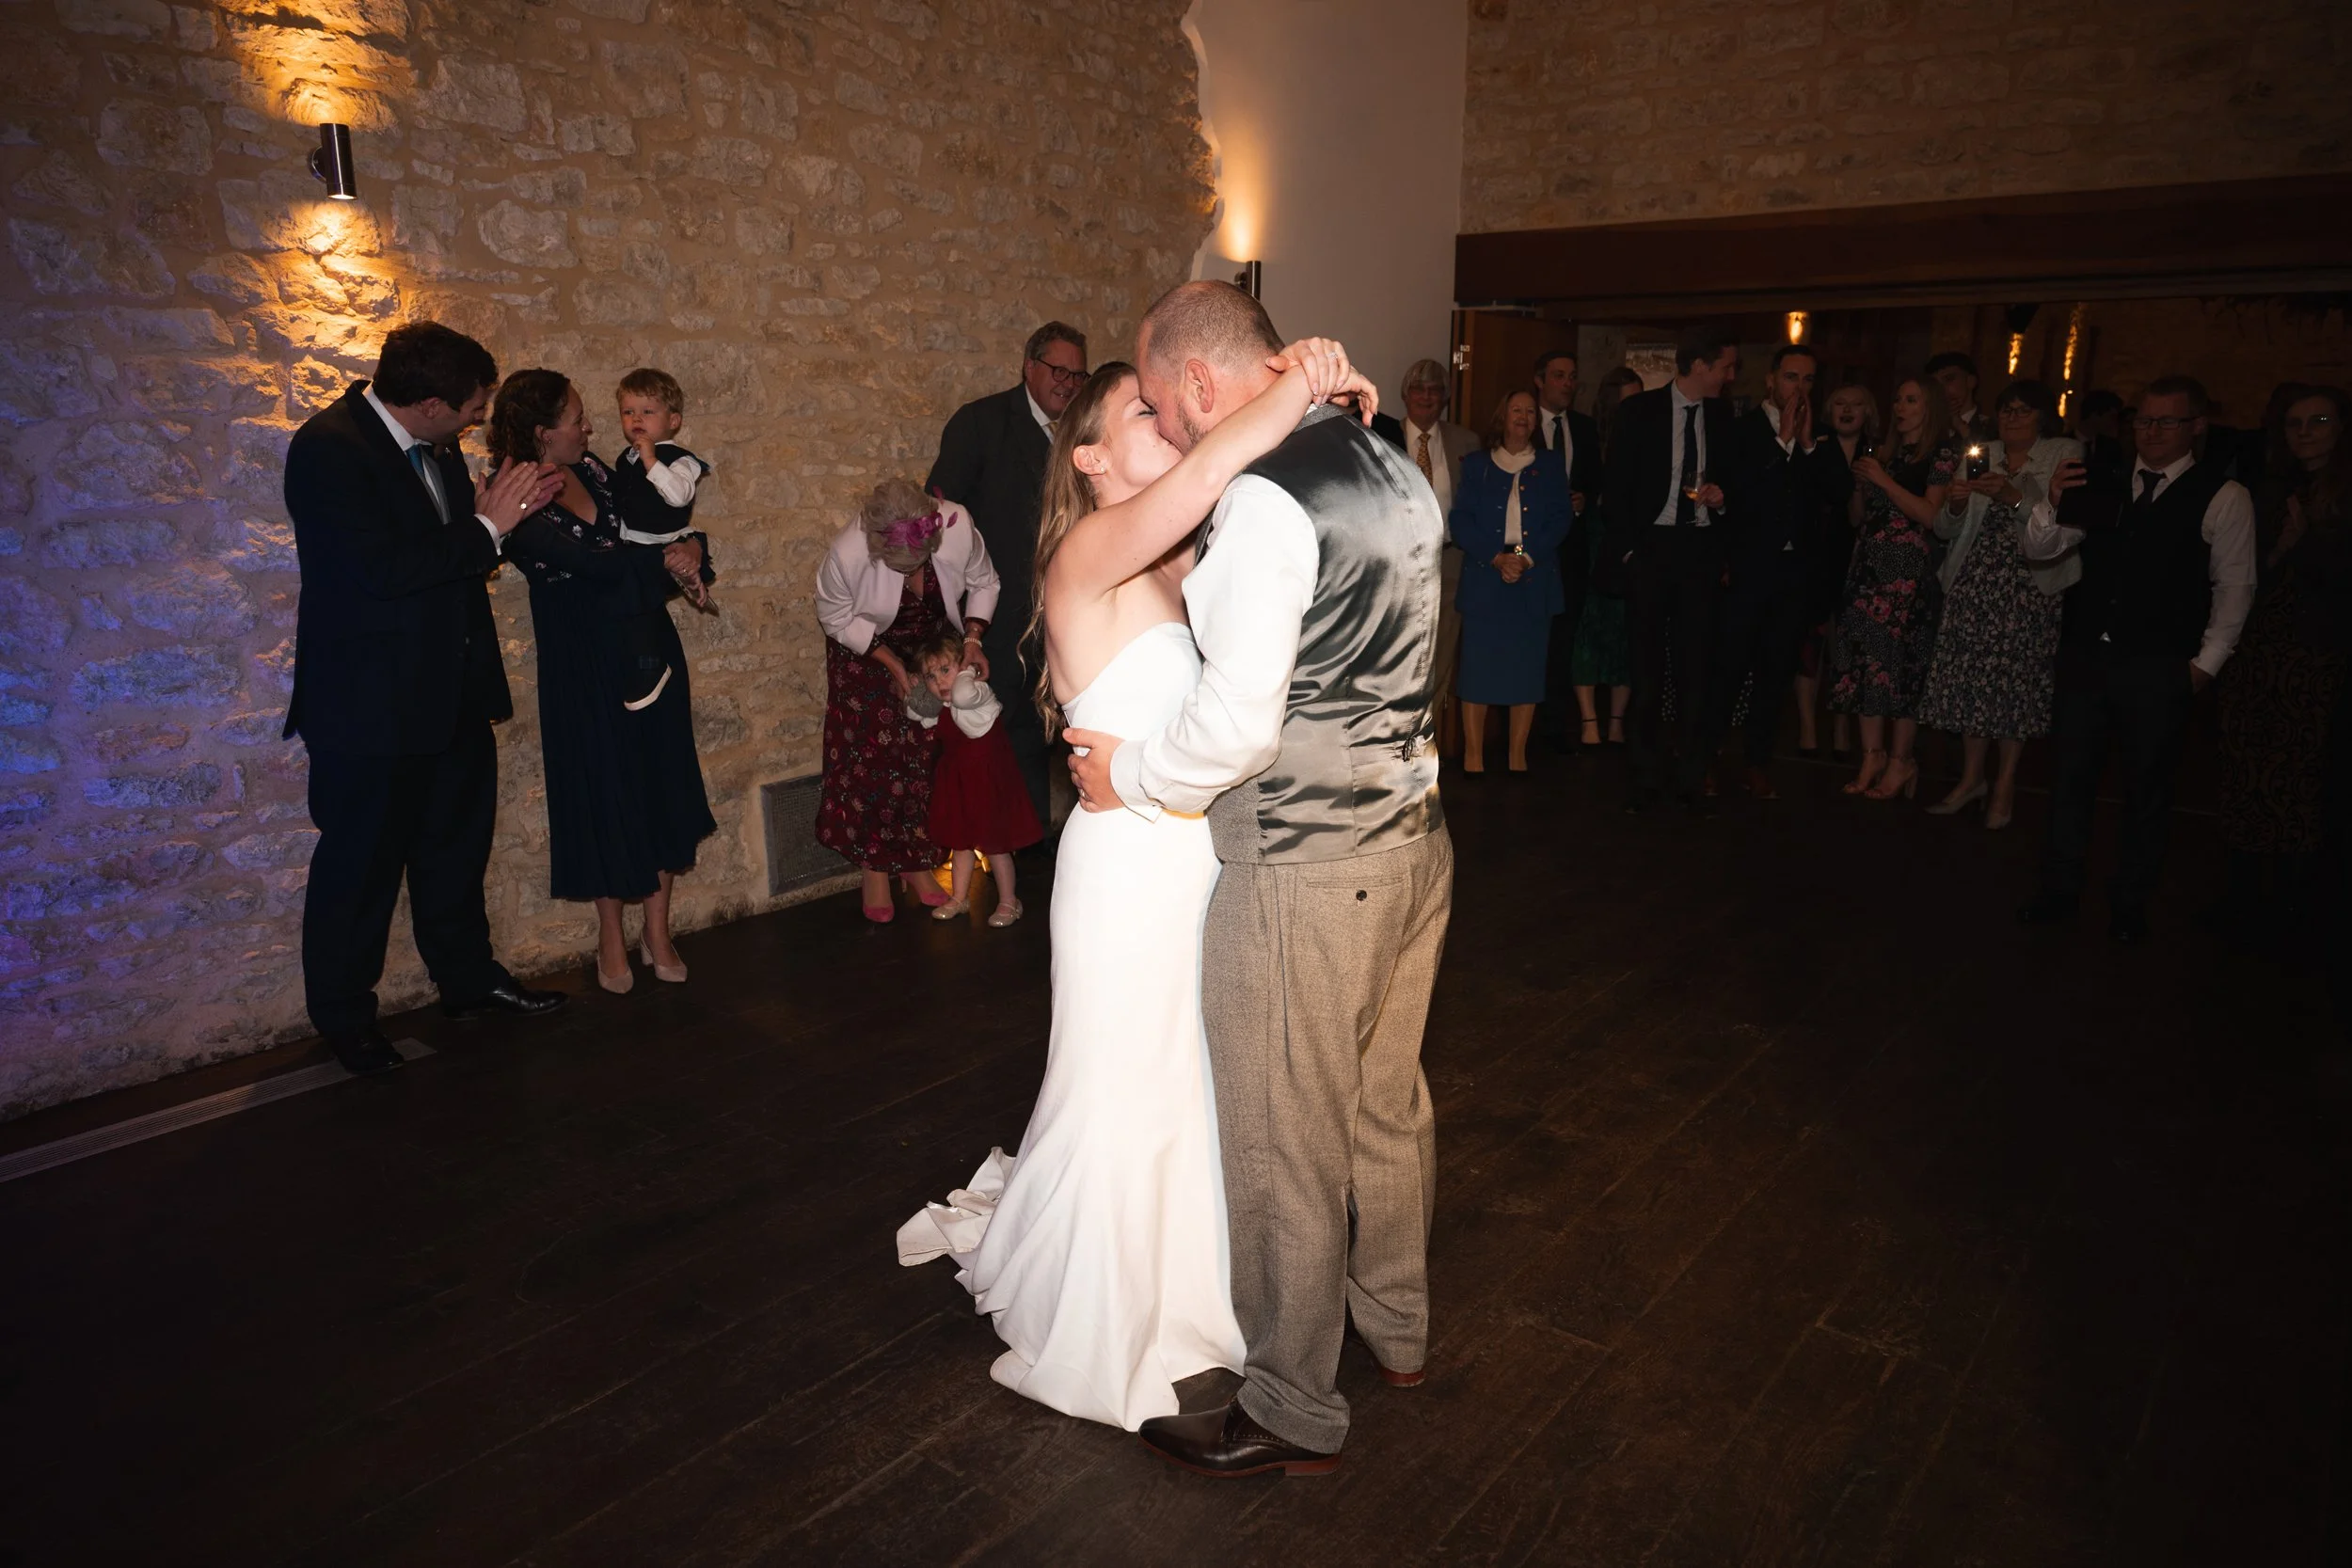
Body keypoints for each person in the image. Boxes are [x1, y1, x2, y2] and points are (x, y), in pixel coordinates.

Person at [897, 330, 1379, 1435]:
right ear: (1091, 459)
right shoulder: (1085, 556)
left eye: (1170, 415)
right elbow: (1217, 464)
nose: (1171, 428)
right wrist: (1291, 379)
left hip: (1194, 860)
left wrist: (1315, 404)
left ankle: (1210, 1280)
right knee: (1126, 1078)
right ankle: (1118, 1299)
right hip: (1123, 874)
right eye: (1145, 418)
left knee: (1191, 1074)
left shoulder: (1171, 560)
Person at [1067, 281, 1453, 1477]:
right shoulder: (1390, 466)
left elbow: (1234, 731)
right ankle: (1397, 1330)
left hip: (1305, 864)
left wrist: (1129, 775)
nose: (1173, 436)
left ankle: (1289, 1397)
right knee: (1387, 1105)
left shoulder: (1266, 504)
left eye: (1161, 401)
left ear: (1191, 386)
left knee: (1285, 1142)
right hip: (1414, 842)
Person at [282, 322, 566, 1076]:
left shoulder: (436, 444)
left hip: (452, 696)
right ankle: (346, 1020)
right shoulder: (328, 450)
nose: (479, 419)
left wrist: (489, 523)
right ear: (433, 402)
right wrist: (484, 528)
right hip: (369, 708)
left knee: (454, 855)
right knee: (360, 872)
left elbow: (449, 559)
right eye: (472, 407)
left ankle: (468, 981)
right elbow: (379, 572)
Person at [489, 371, 718, 992]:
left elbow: (653, 524)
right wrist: (671, 555)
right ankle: (611, 937)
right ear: (542, 433)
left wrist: (693, 544)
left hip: (648, 646)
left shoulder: (594, 468)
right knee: (603, 792)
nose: (590, 426)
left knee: (662, 784)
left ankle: (659, 931)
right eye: (576, 418)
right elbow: (594, 563)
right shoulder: (512, 493)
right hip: (583, 663)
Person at [2018, 375, 2259, 944]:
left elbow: (2234, 586)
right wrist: (2052, 506)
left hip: (2158, 667)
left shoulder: (2223, 495)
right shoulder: (2101, 480)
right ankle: (2059, 890)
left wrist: (2206, 665)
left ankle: (2130, 901)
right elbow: (2040, 550)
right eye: (2143, 420)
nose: (2151, 432)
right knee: (2069, 781)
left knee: (2147, 792)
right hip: (2086, 660)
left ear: (2196, 426)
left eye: (2165, 421)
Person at [814, 479, 1001, 922]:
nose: (911, 573)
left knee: (924, 754)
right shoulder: (848, 552)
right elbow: (834, 614)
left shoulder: (957, 526)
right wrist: (894, 668)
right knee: (874, 757)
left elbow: (983, 580)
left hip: (926, 644)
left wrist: (972, 639)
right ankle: (875, 867)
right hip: (864, 648)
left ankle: (916, 862)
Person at [926, 322, 1088, 828]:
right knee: (1002, 733)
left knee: (1059, 733)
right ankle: (1008, 856)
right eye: (1059, 370)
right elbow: (940, 515)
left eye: (1077, 375)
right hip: (999, 615)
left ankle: (1039, 846)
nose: (1067, 383)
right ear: (1029, 366)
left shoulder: (1084, 431)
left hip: (1068, 612)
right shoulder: (981, 423)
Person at [2212, 386, 2351, 947]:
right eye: (2295, 422)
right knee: (2248, 767)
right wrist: (2283, 546)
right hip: (2263, 649)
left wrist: (2306, 542)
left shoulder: (2344, 494)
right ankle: (2243, 895)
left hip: (2318, 656)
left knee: (2300, 775)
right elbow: (2250, 574)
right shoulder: (2272, 490)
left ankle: (2294, 906)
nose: (2306, 431)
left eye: (2319, 419)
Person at [1915, 380, 2079, 830]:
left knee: (2013, 689)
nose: (2012, 418)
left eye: (2023, 411)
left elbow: (2066, 522)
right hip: (1974, 581)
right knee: (1970, 685)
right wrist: (1954, 504)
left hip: (2028, 586)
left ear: (2042, 417)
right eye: (2006, 409)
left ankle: (2004, 784)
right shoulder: (1981, 450)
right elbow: (1947, 532)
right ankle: (1971, 780)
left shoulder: (2062, 453)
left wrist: (2013, 495)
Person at [1606, 325, 1739, 815]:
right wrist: (1628, 554)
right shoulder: (1639, 412)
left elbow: (1738, 485)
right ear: (1699, 367)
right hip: (1651, 549)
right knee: (1645, 672)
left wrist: (1723, 500)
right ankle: (1643, 778)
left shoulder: (1724, 416)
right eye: (1724, 367)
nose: (1730, 376)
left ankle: (1690, 775)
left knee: (1695, 670)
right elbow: (1615, 486)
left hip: (1700, 550)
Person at [1710, 343, 1837, 800]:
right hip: (1746, 571)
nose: (1798, 388)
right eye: (1790, 377)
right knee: (1727, 670)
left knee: (1774, 673)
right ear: (1771, 380)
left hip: (1793, 577)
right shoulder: (1740, 430)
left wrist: (1804, 444)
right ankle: (1706, 760)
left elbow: (1838, 494)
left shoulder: (1819, 437)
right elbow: (1735, 492)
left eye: (1807, 380)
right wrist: (1781, 442)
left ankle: (1757, 763)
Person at [1829, 377, 1961, 800]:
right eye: (1898, 399)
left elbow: (1930, 514)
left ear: (1930, 407)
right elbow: (1857, 518)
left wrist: (1884, 482)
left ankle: (1902, 761)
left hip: (1908, 577)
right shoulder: (1886, 453)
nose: (1901, 407)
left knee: (1901, 669)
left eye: (1911, 400)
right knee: (1865, 663)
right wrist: (1861, 487)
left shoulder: (1941, 454)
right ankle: (1872, 755)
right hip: (1869, 568)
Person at [1451, 390, 1573, 772]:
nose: (1523, 416)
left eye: (1530, 411)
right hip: (1486, 577)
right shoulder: (1476, 465)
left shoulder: (1552, 466)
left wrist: (1522, 558)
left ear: (1537, 422)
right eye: (1516, 410)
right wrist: (1498, 557)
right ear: (1502, 418)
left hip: (1533, 578)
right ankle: (1473, 757)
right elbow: (1461, 522)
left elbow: (1560, 520)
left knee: (1527, 667)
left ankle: (1517, 756)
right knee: (1477, 669)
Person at [1372, 359, 1479, 747]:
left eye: (1435, 391)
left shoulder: (1467, 442)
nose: (1427, 398)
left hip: (1450, 561)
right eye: (1419, 390)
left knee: (1443, 656)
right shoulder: (1383, 436)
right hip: (1401, 565)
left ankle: (1426, 744)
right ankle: (1395, 739)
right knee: (1401, 654)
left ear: (1445, 398)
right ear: (1405, 395)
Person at [904, 626, 1041, 926]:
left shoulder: (977, 692)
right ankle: (960, 896)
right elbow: (915, 712)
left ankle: (1009, 900)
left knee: (996, 846)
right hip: (959, 783)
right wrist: (917, 687)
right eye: (931, 675)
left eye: (946, 669)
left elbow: (964, 695)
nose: (940, 680)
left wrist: (969, 669)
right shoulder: (943, 702)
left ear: (966, 669)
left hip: (988, 782)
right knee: (960, 843)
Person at [1795, 382, 1876, 756]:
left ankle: (1842, 729)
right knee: (1809, 642)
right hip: (1812, 553)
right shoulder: (1814, 441)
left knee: (1846, 646)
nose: (1847, 410)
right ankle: (1808, 730)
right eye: (1839, 403)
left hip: (1858, 556)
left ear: (1868, 412)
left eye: (1856, 403)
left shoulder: (1877, 451)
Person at [1533, 349, 1604, 752]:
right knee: (1533, 638)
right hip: (1531, 550)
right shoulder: (1524, 424)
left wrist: (1584, 500)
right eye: (1558, 376)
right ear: (1540, 380)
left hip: (1572, 552)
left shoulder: (1584, 427)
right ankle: (1523, 725)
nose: (1567, 384)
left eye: (1572, 376)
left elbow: (1595, 483)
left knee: (1564, 639)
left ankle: (1554, 729)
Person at [1571, 366, 1643, 748]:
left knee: (1624, 631)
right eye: (1625, 400)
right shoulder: (1588, 435)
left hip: (1630, 540)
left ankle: (1616, 722)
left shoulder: (1651, 438)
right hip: (1592, 538)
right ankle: (1589, 721)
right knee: (1587, 629)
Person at [607, 367, 711, 555]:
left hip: (666, 548)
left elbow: (679, 497)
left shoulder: (681, 460)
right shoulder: (626, 458)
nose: (636, 418)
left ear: (673, 421)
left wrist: (650, 460)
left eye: (647, 411)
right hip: (629, 547)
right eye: (628, 412)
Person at [1927, 350, 1992, 440]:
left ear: (1970, 381)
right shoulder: (1928, 429)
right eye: (1935, 384)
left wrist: (1961, 427)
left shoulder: (1991, 427)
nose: (1941, 389)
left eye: (1948, 379)